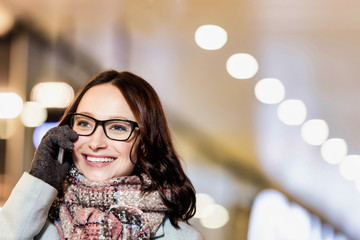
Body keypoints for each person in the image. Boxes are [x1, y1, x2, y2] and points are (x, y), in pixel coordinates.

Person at [0, 70, 203, 239]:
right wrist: (38, 184)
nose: (96, 143)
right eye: (84, 123)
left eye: (118, 127)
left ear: (146, 141)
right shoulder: (33, 221)